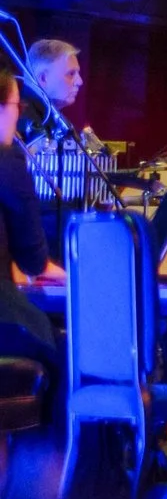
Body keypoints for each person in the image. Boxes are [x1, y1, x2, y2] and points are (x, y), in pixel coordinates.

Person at [0, 68, 64, 375]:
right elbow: (35, 261)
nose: (19, 119)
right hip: (3, 318)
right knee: (72, 360)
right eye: (17, 107)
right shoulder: (6, 159)